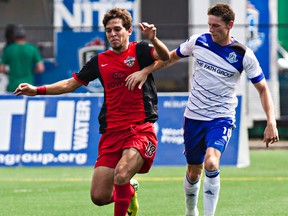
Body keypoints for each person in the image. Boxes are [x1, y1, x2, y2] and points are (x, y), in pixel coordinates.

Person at [125, 3, 279, 216]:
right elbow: (169, 58)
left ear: (230, 25)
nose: (211, 29)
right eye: (209, 24)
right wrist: (145, 71)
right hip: (194, 117)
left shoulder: (243, 54)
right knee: (194, 171)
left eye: (216, 25)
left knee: (212, 162)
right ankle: (191, 211)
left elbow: (263, 89)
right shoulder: (199, 41)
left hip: (221, 117)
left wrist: (271, 121)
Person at [14, 8, 169, 216]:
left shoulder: (140, 50)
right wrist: (37, 90)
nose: (113, 34)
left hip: (140, 129)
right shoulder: (99, 61)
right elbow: (70, 84)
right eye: (108, 30)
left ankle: (125, 190)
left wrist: (154, 40)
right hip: (112, 133)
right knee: (99, 197)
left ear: (129, 30)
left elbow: (164, 56)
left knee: (122, 174)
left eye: (117, 29)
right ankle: (130, 192)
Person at [0, 24, 44, 92]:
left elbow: (1, 69)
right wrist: (31, 72)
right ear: (25, 37)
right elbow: (40, 68)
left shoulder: (8, 49)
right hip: (28, 85)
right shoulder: (32, 49)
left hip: (13, 86)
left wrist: (10, 73)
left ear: (14, 37)